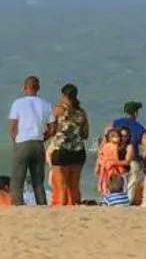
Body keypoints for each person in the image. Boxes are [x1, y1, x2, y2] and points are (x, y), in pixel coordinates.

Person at [7, 76, 52, 208]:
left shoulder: (18, 103)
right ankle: (41, 204)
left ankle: (18, 205)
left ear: (24, 87)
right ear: (38, 88)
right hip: (38, 143)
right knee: (38, 181)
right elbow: (53, 126)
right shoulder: (45, 104)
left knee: (17, 180)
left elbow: (13, 127)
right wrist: (45, 137)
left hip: (22, 142)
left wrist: (15, 140)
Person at [45, 84, 88, 207]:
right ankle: (75, 209)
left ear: (63, 95)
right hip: (78, 151)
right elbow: (85, 134)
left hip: (61, 150)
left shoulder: (58, 110)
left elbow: (50, 130)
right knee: (74, 186)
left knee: (61, 186)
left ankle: (62, 211)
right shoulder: (81, 112)